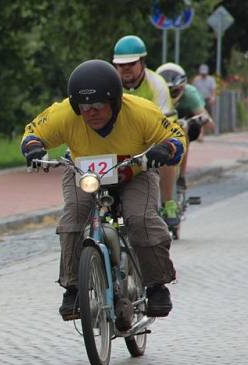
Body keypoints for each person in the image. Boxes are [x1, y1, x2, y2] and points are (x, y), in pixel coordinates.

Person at [20, 60, 186, 320]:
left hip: (135, 173)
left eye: (98, 106)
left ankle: (157, 285)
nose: (91, 113)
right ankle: (73, 288)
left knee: (141, 219)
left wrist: (166, 149)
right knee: (74, 217)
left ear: (116, 103)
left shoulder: (142, 112)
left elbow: (176, 135)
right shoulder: (64, 114)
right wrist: (32, 147)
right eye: (84, 108)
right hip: (85, 174)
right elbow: (33, 131)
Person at [112, 34, 180, 228]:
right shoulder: (110, 82)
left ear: (142, 62)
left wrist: (160, 145)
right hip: (120, 137)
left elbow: (165, 124)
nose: (125, 69)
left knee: (167, 151)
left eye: (131, 64)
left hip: (151, 135)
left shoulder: (157, 84)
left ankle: (168, 203)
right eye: (120, 65)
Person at [157, 62, 217, 189]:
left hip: (183, 122)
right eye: (166, 91)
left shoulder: (190, 94)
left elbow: (205, 117)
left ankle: (181, 177)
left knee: (183, 132)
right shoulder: (154, 92)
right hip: (161, 122)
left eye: (174, 91)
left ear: (183, 87)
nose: (170, 94)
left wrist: (203, 123)